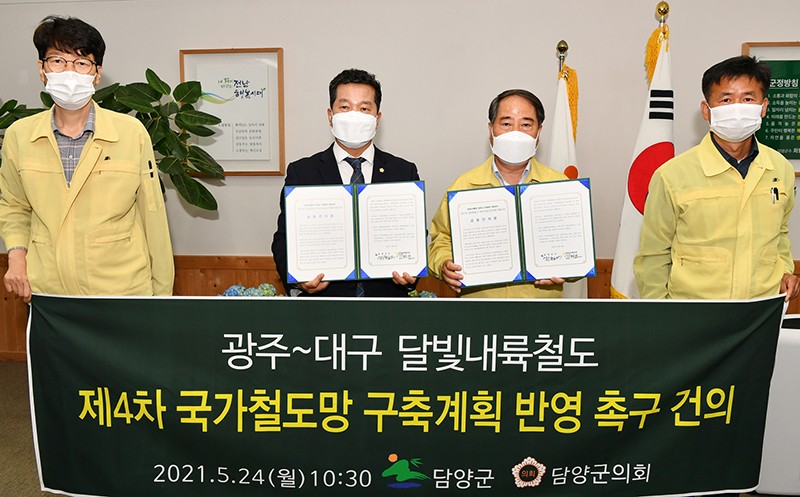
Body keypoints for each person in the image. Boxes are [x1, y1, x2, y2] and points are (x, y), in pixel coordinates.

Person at [0, 16, 174, 302]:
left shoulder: (131, 133)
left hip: (122, 293)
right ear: (42, 69)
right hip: (48, 293)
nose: (69, 72)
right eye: (58, 61)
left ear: (96, 73)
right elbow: (14, 206)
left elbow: (152, 216)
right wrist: (17, 256)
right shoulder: (20, 135)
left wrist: (162, 297)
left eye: (81, 63)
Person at [634, 55, 800, 301]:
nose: (737, 108)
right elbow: (653, 255)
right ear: (706, 110)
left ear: (763, 107)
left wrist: (785, 272)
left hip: (760, 310)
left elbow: (780, 236)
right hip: (694, 313)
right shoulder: (672, 175)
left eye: (748, 99)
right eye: (726, 99)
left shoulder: (780, 169)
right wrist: (662, 314)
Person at [271, 68, 420, 297]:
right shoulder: (302, 172)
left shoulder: (403, 172)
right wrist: (299, 280)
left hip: (386, 305)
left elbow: (414, 236)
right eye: (345, 107)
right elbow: (283, 239)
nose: (354, 115)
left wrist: (411, 274)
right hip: (324, 305)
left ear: (377, 118)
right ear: (330, 115)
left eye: (364, 108)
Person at [428, 89, 568, 298]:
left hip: (541, 308)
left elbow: (575, 246)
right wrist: (444, 264)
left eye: (526, 125)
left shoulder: (560, 185)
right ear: (491, 129)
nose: (515, 133)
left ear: (539, 132)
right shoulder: (464, 185)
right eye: (506, 123)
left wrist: (567, 269)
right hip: (479, 309)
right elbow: (441, 240)